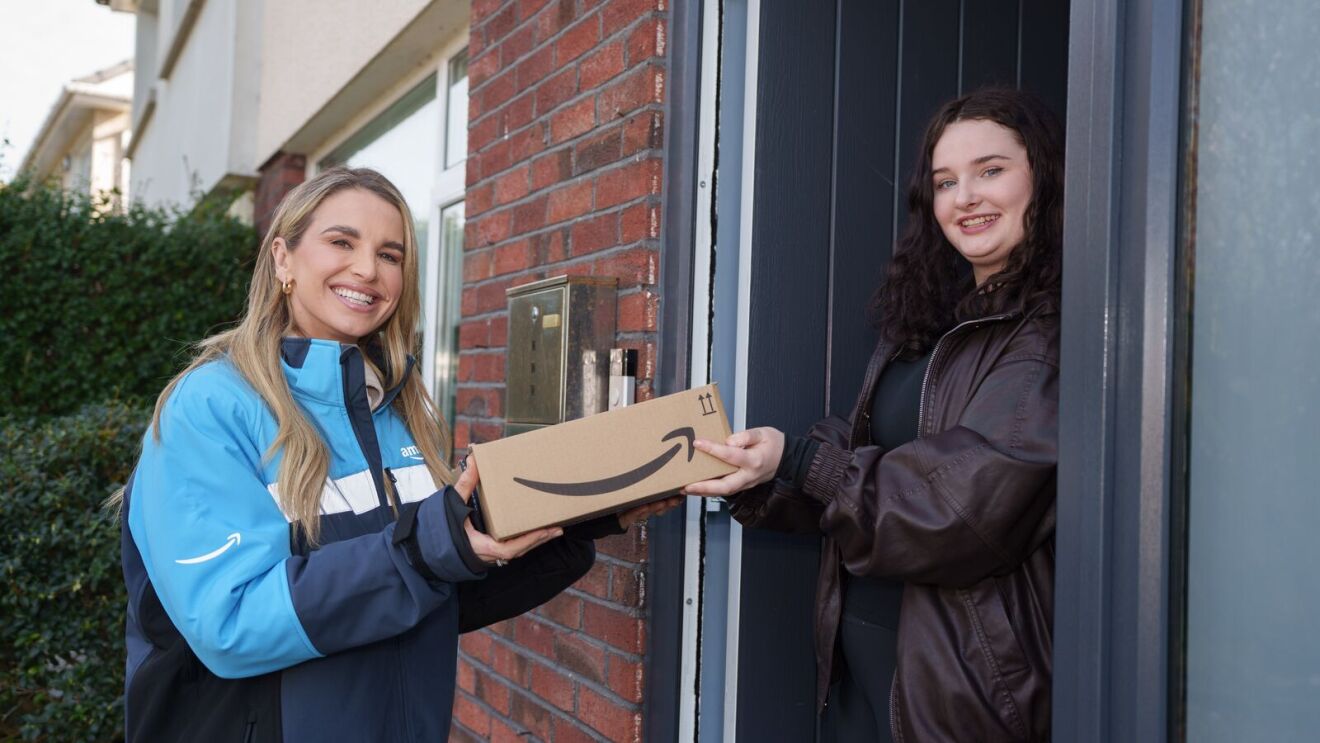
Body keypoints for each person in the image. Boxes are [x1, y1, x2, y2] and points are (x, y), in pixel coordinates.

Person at [117, 167, 678, 742]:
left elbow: (430, 598)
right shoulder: (211, 407)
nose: (367, 269)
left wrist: (577, 517)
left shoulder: (398, 410)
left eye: (391, 255)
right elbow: (230, 623)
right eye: (341, 242)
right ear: (282, 258)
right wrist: (422, 553)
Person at [685, 88, 1063, 742]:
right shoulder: (927, 322)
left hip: (964, 694)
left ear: (1045, 179)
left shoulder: (1049, 335)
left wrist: (800, 461)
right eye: (945, 181)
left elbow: (959, 509)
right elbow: (860, 451)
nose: (965, 196)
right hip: (865, 675)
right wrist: (761, 473)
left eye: (991, 170)